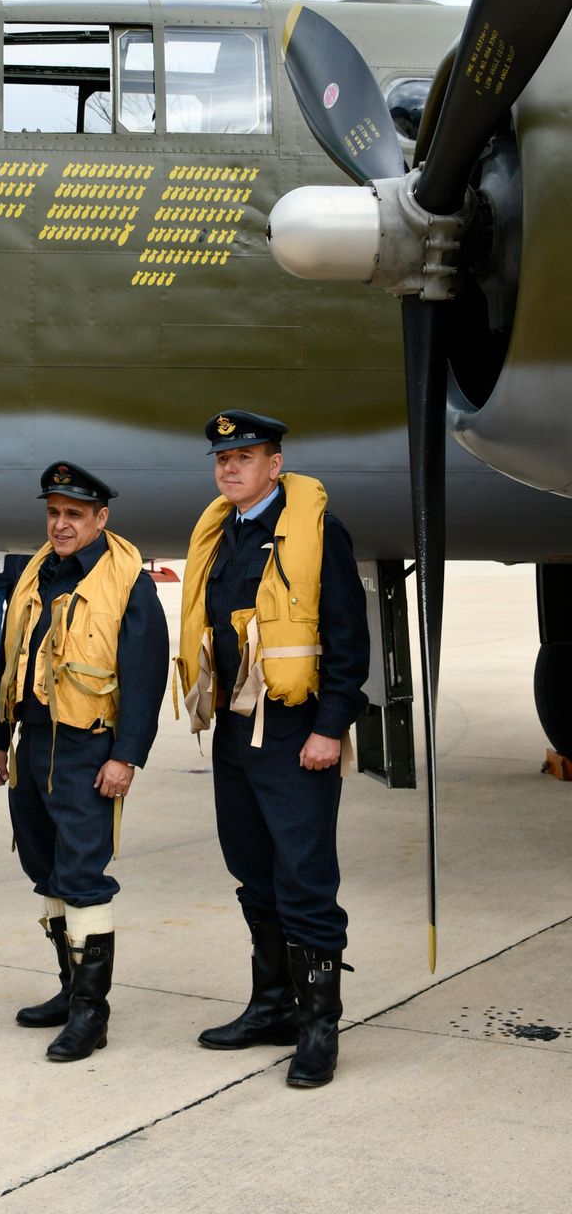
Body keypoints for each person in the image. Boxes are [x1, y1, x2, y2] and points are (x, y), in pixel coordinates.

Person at [176, 410, 369, 1088]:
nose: (230, 468)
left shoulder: (317, 534)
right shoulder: (224, 535)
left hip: (295, 732)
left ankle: (319, 1027)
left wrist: (330, 727)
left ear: (276, 465)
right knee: (253, 873)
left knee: (306, 880)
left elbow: (347, 643)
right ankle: (271, 1006)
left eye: (246, 457)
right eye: (222, 459)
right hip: (235, 728)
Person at [0, 462, 168, 1062]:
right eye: (54, 513)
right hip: (32, 744)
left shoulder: (127, 582)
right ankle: (69, 991)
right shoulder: (38, 571)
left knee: (84, 877)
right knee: (46, 869)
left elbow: (145, 678)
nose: (61, 525)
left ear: (100, 518)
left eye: (74, 515)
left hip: (89, 748)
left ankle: (92, 1013)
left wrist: (127, 759)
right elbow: (10, 657)